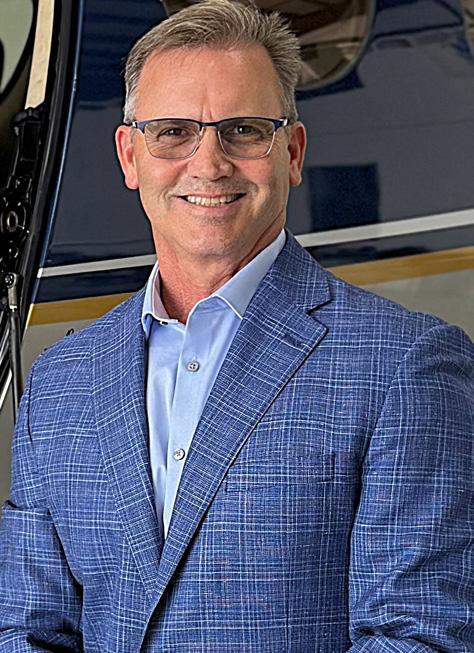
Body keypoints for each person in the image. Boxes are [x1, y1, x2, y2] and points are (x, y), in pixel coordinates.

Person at [0, 0, 472, 650]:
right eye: (172, 132)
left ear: (293, 152)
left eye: (244, 130)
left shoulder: (406, 366)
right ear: (129, 156)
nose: (209, 163)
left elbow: (420, 636)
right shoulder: (59, 380)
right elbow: (25, 627)